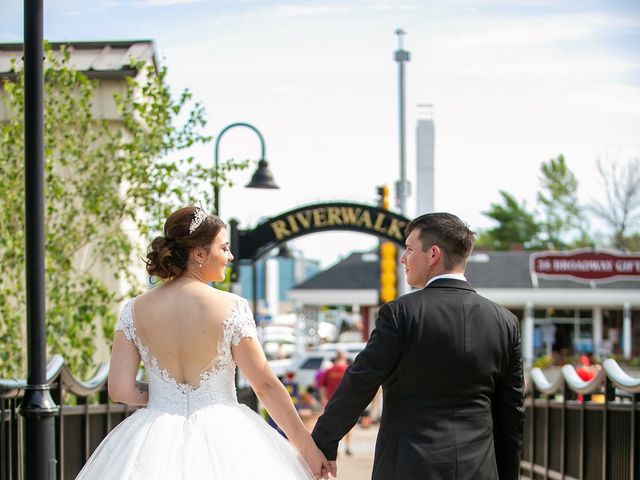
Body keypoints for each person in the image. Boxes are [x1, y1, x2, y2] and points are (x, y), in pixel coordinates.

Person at [76, 206, 332, 480]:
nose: (230, 256)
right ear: (199, 254)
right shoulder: (232, 307)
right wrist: (306, 446)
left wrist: (168, 396)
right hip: (225, 435)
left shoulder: (134, 309)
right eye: (224, 248)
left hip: (153, 439)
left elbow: (119, 389)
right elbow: (265, 385)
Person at [312, 212, 525, 479]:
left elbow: (361, 382)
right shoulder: (505, 322)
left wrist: (322, 443)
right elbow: (512, 414)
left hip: (409, 467)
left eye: (410, 249)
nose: (403, 259)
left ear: (433, 254)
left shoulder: (401, 314)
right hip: (478, 470)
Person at [318, 352, 353, 456]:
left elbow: (322, 386)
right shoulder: (348, 369)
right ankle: (347, 447)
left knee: (332, 426)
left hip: (331, 401)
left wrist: (323, 398)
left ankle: (333, 449)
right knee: (348, 425)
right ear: (344, 358)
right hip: (346, 401)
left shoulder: (328, 371)